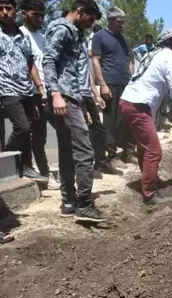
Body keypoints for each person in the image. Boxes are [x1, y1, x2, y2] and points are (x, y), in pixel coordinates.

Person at [120, 28, 172, 205]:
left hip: (130, 102)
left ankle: (149, 181)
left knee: (145, 148)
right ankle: (150, 194)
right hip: (137, 105)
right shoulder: (169, 58)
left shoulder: (154, 54)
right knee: (154, 150)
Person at [44, 0, 109, 222]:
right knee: (84, 150)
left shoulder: (74, 32)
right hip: (64, 98)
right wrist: (55, 94)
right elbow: (49, 61)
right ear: (80, 12)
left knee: (67, 151)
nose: (91, 25)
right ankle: (85, 204)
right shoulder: (62, 29)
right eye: (90, 19)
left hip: (72, 97)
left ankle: (69, 202)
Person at [0, 0, 48, 184]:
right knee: (22, 128)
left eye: (8, 8)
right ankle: (6, 159)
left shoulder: (22, 36)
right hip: (7, 90)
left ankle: (26, 167)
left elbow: (31, 64)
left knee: (29, 131)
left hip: (27, 90)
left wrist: (40, 88)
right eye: (1, 9)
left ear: (16, 11)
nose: (4, 12)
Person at [18, 0, 59, 188]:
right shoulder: (20, 35)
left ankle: (46, 171)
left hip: (49, 91)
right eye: (36, 15)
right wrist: (38, 89)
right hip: (32, 93)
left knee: (61, 130)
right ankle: (43, 173)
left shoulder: (42, 37)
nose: (40, 19)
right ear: (24, 13)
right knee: (37, 135)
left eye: (42, 15)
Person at [92, 6, 136, 169]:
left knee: (126, 119)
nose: (122, 25)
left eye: (123, 22)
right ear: (110, 20)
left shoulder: (124, 38)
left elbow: (129, 60)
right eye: (119, 22)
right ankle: (111, 156)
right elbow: (96, 61)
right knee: (110, 121)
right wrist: (102, 84)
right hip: (109, 84)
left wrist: (133, 79)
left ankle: (127, 152)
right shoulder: (99, 36)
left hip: (126, 83)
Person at [80, 45, 116, 179]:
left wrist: (97, 95)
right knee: (83, 133)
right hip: (75, 96)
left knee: (99, 130)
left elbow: (87, 76)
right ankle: (86, 169)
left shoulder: (82, 47)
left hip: (87, 95)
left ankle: (100, 163)